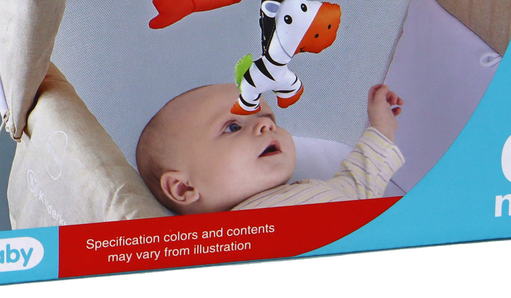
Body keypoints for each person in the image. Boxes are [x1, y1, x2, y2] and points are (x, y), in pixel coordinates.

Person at [136, 83, 404, 213]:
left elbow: (362, 177)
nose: (266, 125)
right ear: (184, 188)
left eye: (268, 118)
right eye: (233, 127)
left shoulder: (320, 189)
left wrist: (381, 125)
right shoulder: (214, 245)